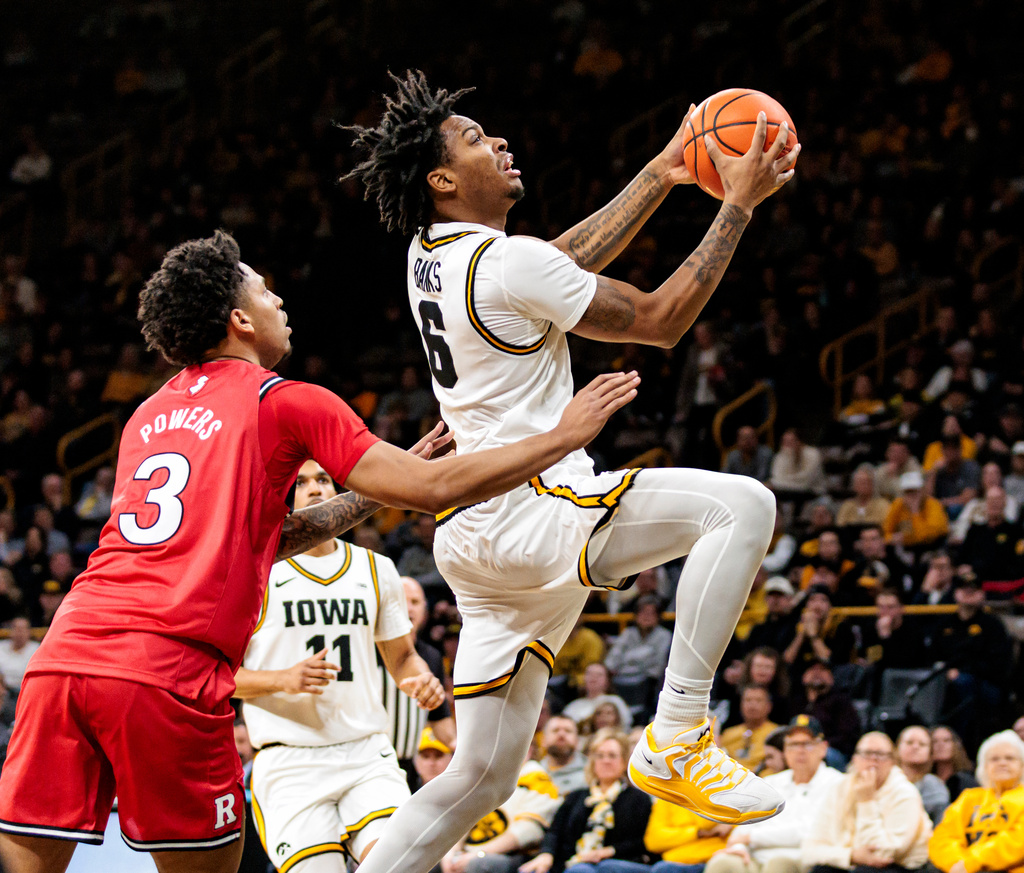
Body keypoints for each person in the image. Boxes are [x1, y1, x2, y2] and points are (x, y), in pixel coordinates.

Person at [0, 231, 637, 873]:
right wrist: (563, 436)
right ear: (240, 320)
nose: (281, 301)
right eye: (266, 290)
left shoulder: (146, 415)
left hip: (66, 656)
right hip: (167, 669)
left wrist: (363, 497)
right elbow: (436, 490)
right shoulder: (287, 399)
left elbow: (252, 541)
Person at [344, 69, 798, 871]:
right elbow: (658, 322)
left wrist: (663, 170)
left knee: (478, 777)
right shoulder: (508, 262)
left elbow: (550, 265)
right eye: (478, 139)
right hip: (537, 511)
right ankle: (680, 734)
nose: (502, 142)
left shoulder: (430, 252)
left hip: (474, 541)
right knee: (744, 507)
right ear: (444, 178)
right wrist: (737, 205)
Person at [232, 458, 446, 869]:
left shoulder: (377, 568)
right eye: (301, 483)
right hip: (290, 760)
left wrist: (420, 680)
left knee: (398, 862)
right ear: (281, 497)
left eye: (323, 480)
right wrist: (283, 679)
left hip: (366, 752)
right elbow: (219, 677)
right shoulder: (254, 573)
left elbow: (402, 658)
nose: (315, 489)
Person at [705, 716, 844, 873]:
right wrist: (739, 845)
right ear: (785, 750)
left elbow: (810, 831)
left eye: (807, 744)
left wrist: (751, 838)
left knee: (778, 865)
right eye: (793, 744)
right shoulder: (771, 781)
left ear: (823, 748)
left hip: (798, 859)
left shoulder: (837, 783)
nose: (800, 750)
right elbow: (743, 824)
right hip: (754, 857)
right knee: (723, 863)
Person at [519, 728, 653, 873]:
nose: (605, 761)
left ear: (625, 761)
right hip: (572, 862)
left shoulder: (639, 798)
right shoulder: (576, 797)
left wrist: (607, 851)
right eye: (600, 755)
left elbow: (642, 842)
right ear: (592, 761)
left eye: (612, 755)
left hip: (616, 864)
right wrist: (547, 854)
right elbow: (554, 832)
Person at [801, 731, 932, 873]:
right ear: (855, 759)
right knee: (821, 870)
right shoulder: (839, 787)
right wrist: (851, 855)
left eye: (881, 755)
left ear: (892, 761)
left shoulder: (905, 792)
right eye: (866, 754)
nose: (873, 761)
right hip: (853, 863)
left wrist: (866, 802)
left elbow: (882, 854)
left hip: (899, 868)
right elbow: (809, 850)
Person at [383, 576, 457, 787]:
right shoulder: (370, 648)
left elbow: (438, 716)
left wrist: (461, 750)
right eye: (401, 601)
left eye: (415, 602)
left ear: (425, 609)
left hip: (411, 763)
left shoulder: (432, 656)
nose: (409, 609)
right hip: (374, 760)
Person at [439, 756, 562, 873]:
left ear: (528, 750)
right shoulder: (487, 776)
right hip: (468, 851)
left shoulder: (538, 779)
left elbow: (528, 831)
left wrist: (479, 854)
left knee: (478, 865)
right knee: (434, 860)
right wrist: (451, 852)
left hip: (511, 855)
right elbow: (463, 817)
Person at [928, 729, 1024, 873]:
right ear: (984, 766)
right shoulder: (969, 798)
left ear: (1022, 766)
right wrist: (956, 863)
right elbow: (942, 838)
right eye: (994, 759)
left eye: (1010, 758)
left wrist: (971, 863)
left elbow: (1017, 842)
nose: (1002, 763)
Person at [894, 725, 951, 825]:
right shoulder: (887, 780)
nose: (915, 747)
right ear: (897, 748)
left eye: (922, 744)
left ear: (930, 752)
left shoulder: (933, 784)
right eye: (909, 742)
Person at [719, 685, 779, 772]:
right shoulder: (728, 734)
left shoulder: (776, 733)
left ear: (768, 706)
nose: (752, 705)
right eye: (748, 700)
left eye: (758, 701)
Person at [540, 715, 588, 796]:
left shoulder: (591, 773)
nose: (561, 734)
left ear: (577, 741)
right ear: (543, 740)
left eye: (568, 731)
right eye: (555, 730)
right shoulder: (532, 771)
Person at [929, 726, 979, 801]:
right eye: (935, 741)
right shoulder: (925, 781)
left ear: (955, 745)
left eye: (946, 740)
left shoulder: (967, 780)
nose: (940, 745)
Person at [0, 615, 37, 692]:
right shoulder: (1, 647)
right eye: (16, 628)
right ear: (10, 631)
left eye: (22, 629)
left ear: (29, 632)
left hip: (27, 690)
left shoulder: (36, 649)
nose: (19, 633)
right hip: (4, 691)